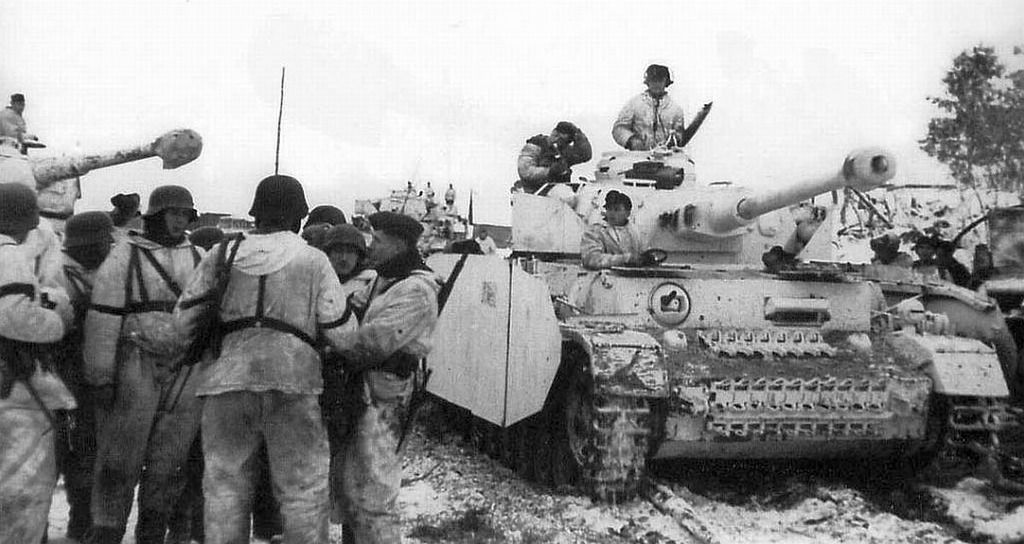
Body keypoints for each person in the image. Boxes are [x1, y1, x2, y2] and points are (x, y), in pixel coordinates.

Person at [151, 174, 356, 543]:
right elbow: (343, 334)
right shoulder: (313, 260)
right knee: (302, 490)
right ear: (298, 216)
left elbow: (182, 325)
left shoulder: (222, 253)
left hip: (227, 383)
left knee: (225, 488)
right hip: (294, 383)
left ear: (256, 212)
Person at [83, 185, 205, 544]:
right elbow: (104, 316)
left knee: (170, 460)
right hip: (135, 363)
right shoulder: (125, 254)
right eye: (173, 213)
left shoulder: (199, 257)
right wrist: (101, 376)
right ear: (156, 215)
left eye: (184, 215)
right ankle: (107, 529)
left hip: (184, 368)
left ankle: (152, 529)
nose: (179, 221)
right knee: (119, 458)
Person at [333, 211, 441, 544]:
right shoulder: (383, 280)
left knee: (375, 493)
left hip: (387, 397)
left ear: (399, 245)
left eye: (378, 241)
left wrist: (331, 344)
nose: (371, 247)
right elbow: (350, 310)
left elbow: (372, 342)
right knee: (352, 485)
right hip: (364, 390)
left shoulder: (417, 289)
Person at [0, 182, 76, 544]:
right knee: (23, 492)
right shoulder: (9, 254)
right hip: (14, 389)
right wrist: (58, 321)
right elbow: (14, 317)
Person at [52, 211, 115, 541]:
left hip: (92, 370)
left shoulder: (106, 271)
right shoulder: (55, 271)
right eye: (103, 242)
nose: (108, 247)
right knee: (56, 447)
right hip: (60, 368)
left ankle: (81, 519)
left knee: (89, 447)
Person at [613, 64, 686, 151]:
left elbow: (680, 135)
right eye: (653, 80)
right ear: (648, 82)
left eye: (660, 80)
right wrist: (631, 140)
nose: (656, 84)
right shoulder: (634, 104)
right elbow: (619, 128)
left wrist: (675, 140)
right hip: (639, 156)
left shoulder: (676, 109)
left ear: (666, 82)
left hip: (666, 156)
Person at [516, 121, 592, 193]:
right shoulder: (534, 146)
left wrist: (578, 135)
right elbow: (525, 171)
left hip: (560, 189)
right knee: (567, 196)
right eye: (558, 136)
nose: (557, 140)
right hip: (537, 192)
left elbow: (585, 155)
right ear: (554, 132)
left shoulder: (563, 150)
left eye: (565, 141)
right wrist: (549, 171)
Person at [581, 190, 646, 270]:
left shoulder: (635, 231)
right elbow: (591, 258)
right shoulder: (595, 231)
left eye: (617, 209)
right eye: (609, 209)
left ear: (627, 213)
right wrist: (624, 259)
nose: (612, 213)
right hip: (603, 276)